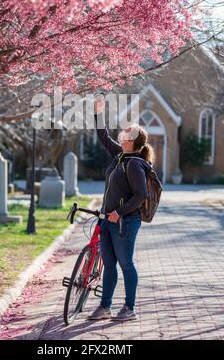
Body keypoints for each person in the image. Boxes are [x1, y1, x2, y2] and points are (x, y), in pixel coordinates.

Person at [87, 96, 155, 322]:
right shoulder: (120, 156)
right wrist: (98, 113)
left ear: (132, 140)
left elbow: (141, 196)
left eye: (128, 131)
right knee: (108, 264)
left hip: (125, 222)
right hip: (107, 220)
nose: (123, 131)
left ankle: (129, 308)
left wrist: (119, 213)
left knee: (126, 264)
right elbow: (103, 136)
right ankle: (105, 307)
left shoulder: (134, 163)